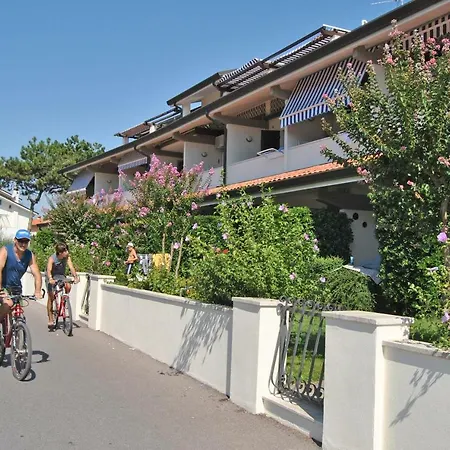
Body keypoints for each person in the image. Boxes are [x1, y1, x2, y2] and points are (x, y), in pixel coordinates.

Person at [0, 229, 43, 322]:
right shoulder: (5, 250)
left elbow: (37, 274)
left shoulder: (29, 255)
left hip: (16, 288)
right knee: (8, 304)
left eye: (26, 242)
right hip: (3, 286)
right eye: (21, 241)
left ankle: (16, 328)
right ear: (15, 240)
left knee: (17, 312)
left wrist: (37, 291)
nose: (23, 244)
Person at [46, 243, 79, 329]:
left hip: (61, 276)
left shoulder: (67, 257)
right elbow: (48, 270)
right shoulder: (52, 258)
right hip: (51, 277)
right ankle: (50, 318)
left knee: (68, 286)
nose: (67, 252)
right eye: (65, 251)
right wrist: (50, 279)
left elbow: (71, 267)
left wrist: (75, 277)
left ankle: (64, 300)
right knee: (51, 298)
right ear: (60, 252)